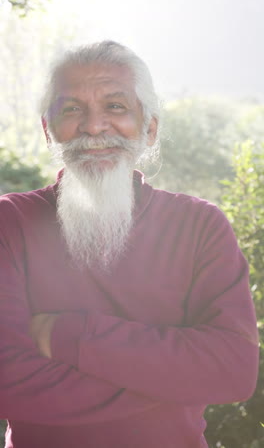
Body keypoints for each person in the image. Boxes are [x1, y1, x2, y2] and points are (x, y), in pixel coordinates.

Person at [0, 41, 259, 448]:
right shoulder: (9, 222)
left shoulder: (201, 225)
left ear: (149, 127)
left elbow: (234, 372)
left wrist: (68, 334)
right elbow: (6, 380)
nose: (93, 125)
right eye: (71, 109)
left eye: (116, 107)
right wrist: (174, 383)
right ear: (49, 129)